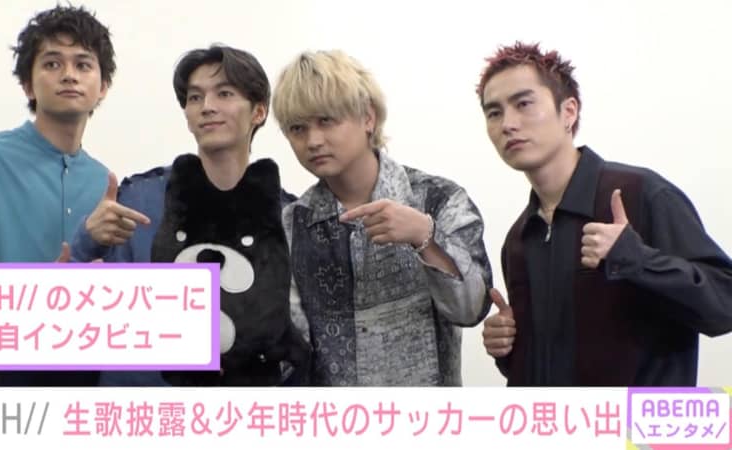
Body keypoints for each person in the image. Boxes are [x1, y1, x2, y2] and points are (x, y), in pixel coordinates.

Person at [478, 42, 732, 386]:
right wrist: (509, 348)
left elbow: (724, 306)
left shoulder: (642, 194)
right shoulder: (519, 239)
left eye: (524, 104)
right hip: (559, 422)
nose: (508, 124)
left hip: (639, 421)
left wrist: (636, 259)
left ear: (569, 112)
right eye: (494, 113)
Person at [69, 44, 295, 386]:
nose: (207, 107)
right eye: (195, 97)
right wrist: (87, 241)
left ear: (259, 111)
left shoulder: (285, 216)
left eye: (224, 93)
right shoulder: (138, 200)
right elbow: (77, 310)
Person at [272, 50, 492, 386]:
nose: (313, 141)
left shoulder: (438, 199)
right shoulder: (293, 224)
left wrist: (425, 236)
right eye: (297, 128)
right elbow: (293, 353)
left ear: (368, 117)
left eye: (327, 121)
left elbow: (471, 309)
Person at [0, 5, 116, 387]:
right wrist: (43, 290)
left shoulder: (106, 183)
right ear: (28, 85)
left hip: (85, 395)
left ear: (103, 86)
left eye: (83, 64)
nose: (69, 74)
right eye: (52, 63)